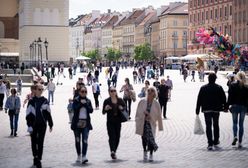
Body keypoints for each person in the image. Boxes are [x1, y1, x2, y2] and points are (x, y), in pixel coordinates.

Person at [196, 73, 226, 150]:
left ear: (208, 79)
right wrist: (225, 107)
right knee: (216, 125)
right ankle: (216, 140)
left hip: (207, 110)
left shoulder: (203, 88)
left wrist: (197, 109)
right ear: (215, 79)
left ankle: (210, 142)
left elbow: (199, 99)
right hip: (216, 109)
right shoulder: (219, 87)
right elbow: (224, 98)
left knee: (208, 126)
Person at [26, 84, 53, 168]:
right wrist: (29, 125)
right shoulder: (31, 101)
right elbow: (28, 115)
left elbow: (48, 113)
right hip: (33, 125)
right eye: (39, 89)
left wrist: (50, 124)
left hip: (42, 124)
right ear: (35, 90)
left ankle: (39, 159)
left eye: (42, 89)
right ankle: (35, 156)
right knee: (34, 141)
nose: (41, 91)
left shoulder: (45, 101)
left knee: (40, 142)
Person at [135, 86, 163, 162]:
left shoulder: (156, 103)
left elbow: (159, 115)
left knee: (151, 139)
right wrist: (144, 115)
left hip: (151, 123)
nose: (150, 92)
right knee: (143, 138)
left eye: (152, 91)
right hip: (143, 123)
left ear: (154, 93)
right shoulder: (142, 101)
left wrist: (151, 117)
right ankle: (144, 152)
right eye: (149, 90)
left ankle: (151, 154)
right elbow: (138, 113)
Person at [71, 86, 93, 164]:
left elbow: (91, 110)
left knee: (85, 140)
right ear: (79, 92)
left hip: (86, 123)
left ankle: (84, 156)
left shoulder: (88, 101)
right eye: (82, 91)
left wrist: (86, 105)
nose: (84, 93)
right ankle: (78, 155)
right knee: (77, 140)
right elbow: (74, 109)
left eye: (85, 92)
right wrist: (80, 104)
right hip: (77, 123)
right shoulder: (76, 100)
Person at [102, 86, 126, 160]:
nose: (113, 92)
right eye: (111, 91)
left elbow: (125, 109)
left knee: (117, 137)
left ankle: (114, 151)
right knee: (112, 136)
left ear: (116, 92)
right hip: (110, 121)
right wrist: (106, 109)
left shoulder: (120, 100)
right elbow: (103, 112)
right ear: (109, 92)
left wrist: (122, 108)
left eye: (114, 91)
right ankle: (112, 151)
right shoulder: (107, 101)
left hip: (118, 121)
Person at [226, 72, 248, 148]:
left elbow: (230, 97)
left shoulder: (232, 85)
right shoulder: (246, 86)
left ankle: (235, 136)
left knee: (234, 123)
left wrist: (227, 106)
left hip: (235, 106)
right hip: (243, 107)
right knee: (241, 124)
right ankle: (240, 142)